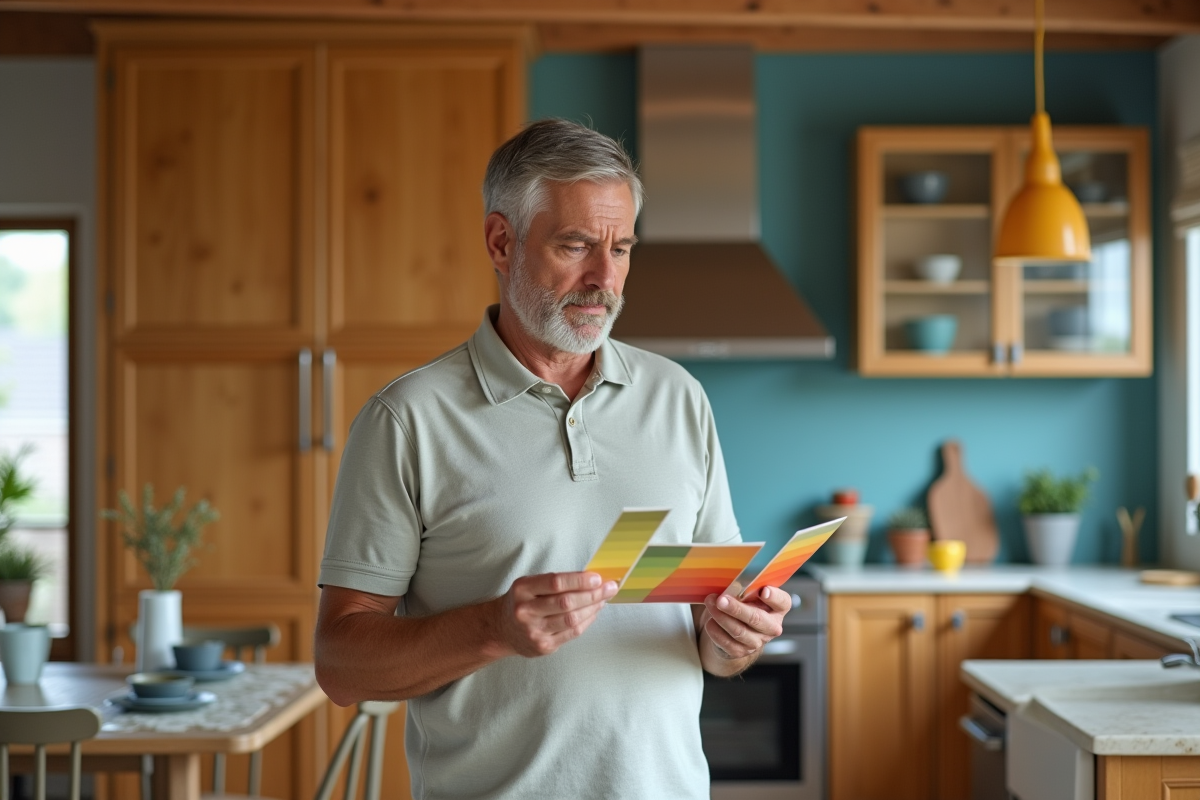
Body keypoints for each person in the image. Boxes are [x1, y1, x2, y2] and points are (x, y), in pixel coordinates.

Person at [314, 118, 790, 800]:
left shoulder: (680, 399)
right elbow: (341, 666)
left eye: (622, 248)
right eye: (576, 245)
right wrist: (493, 628)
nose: (605, 278)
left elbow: (709, 637)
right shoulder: (406, 420)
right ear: (501, 242)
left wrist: (735, 638)